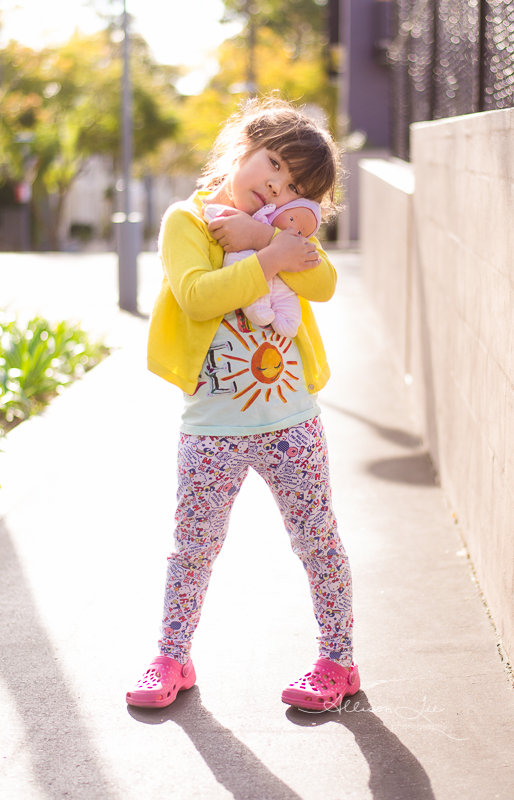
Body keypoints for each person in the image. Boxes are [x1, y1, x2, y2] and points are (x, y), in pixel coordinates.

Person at [126, 98, 360, 713]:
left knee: (317, 539)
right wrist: (270, 258)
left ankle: (337, 661)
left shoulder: (286, 231)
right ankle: (172, 657)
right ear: (246, 144)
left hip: (291, 423)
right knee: (193, 546)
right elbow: (199, 296)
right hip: (213, 427)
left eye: (292, 186)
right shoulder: (189, 221)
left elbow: (325, 283)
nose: (274, 186)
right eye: (273, 165)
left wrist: (269, 240)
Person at [203, 198, 322, 338]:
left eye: (301, 233)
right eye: (291, 219)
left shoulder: (300, 242)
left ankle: (287, 320)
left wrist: (268, 237)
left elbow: (324, 286)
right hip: (217, 352)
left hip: (284, 356)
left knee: (286, 298)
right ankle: (258, 307)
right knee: (259, 298)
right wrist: (274, 246)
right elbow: (198, 301)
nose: (293, 230)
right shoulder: (249, 219)